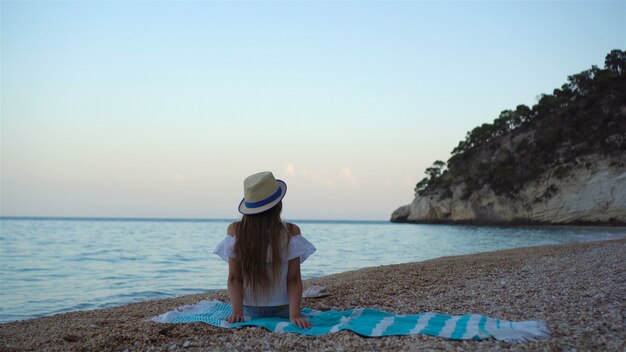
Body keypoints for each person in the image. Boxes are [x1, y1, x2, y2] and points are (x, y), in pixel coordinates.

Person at [213, 171, 316, 329]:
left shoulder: (236, 230)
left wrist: (237, 313)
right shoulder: (291, 231)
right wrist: (295, 315)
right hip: (283, 310)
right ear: (278, 205)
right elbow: (293, 279)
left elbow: (235, 278)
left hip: (249, 310)